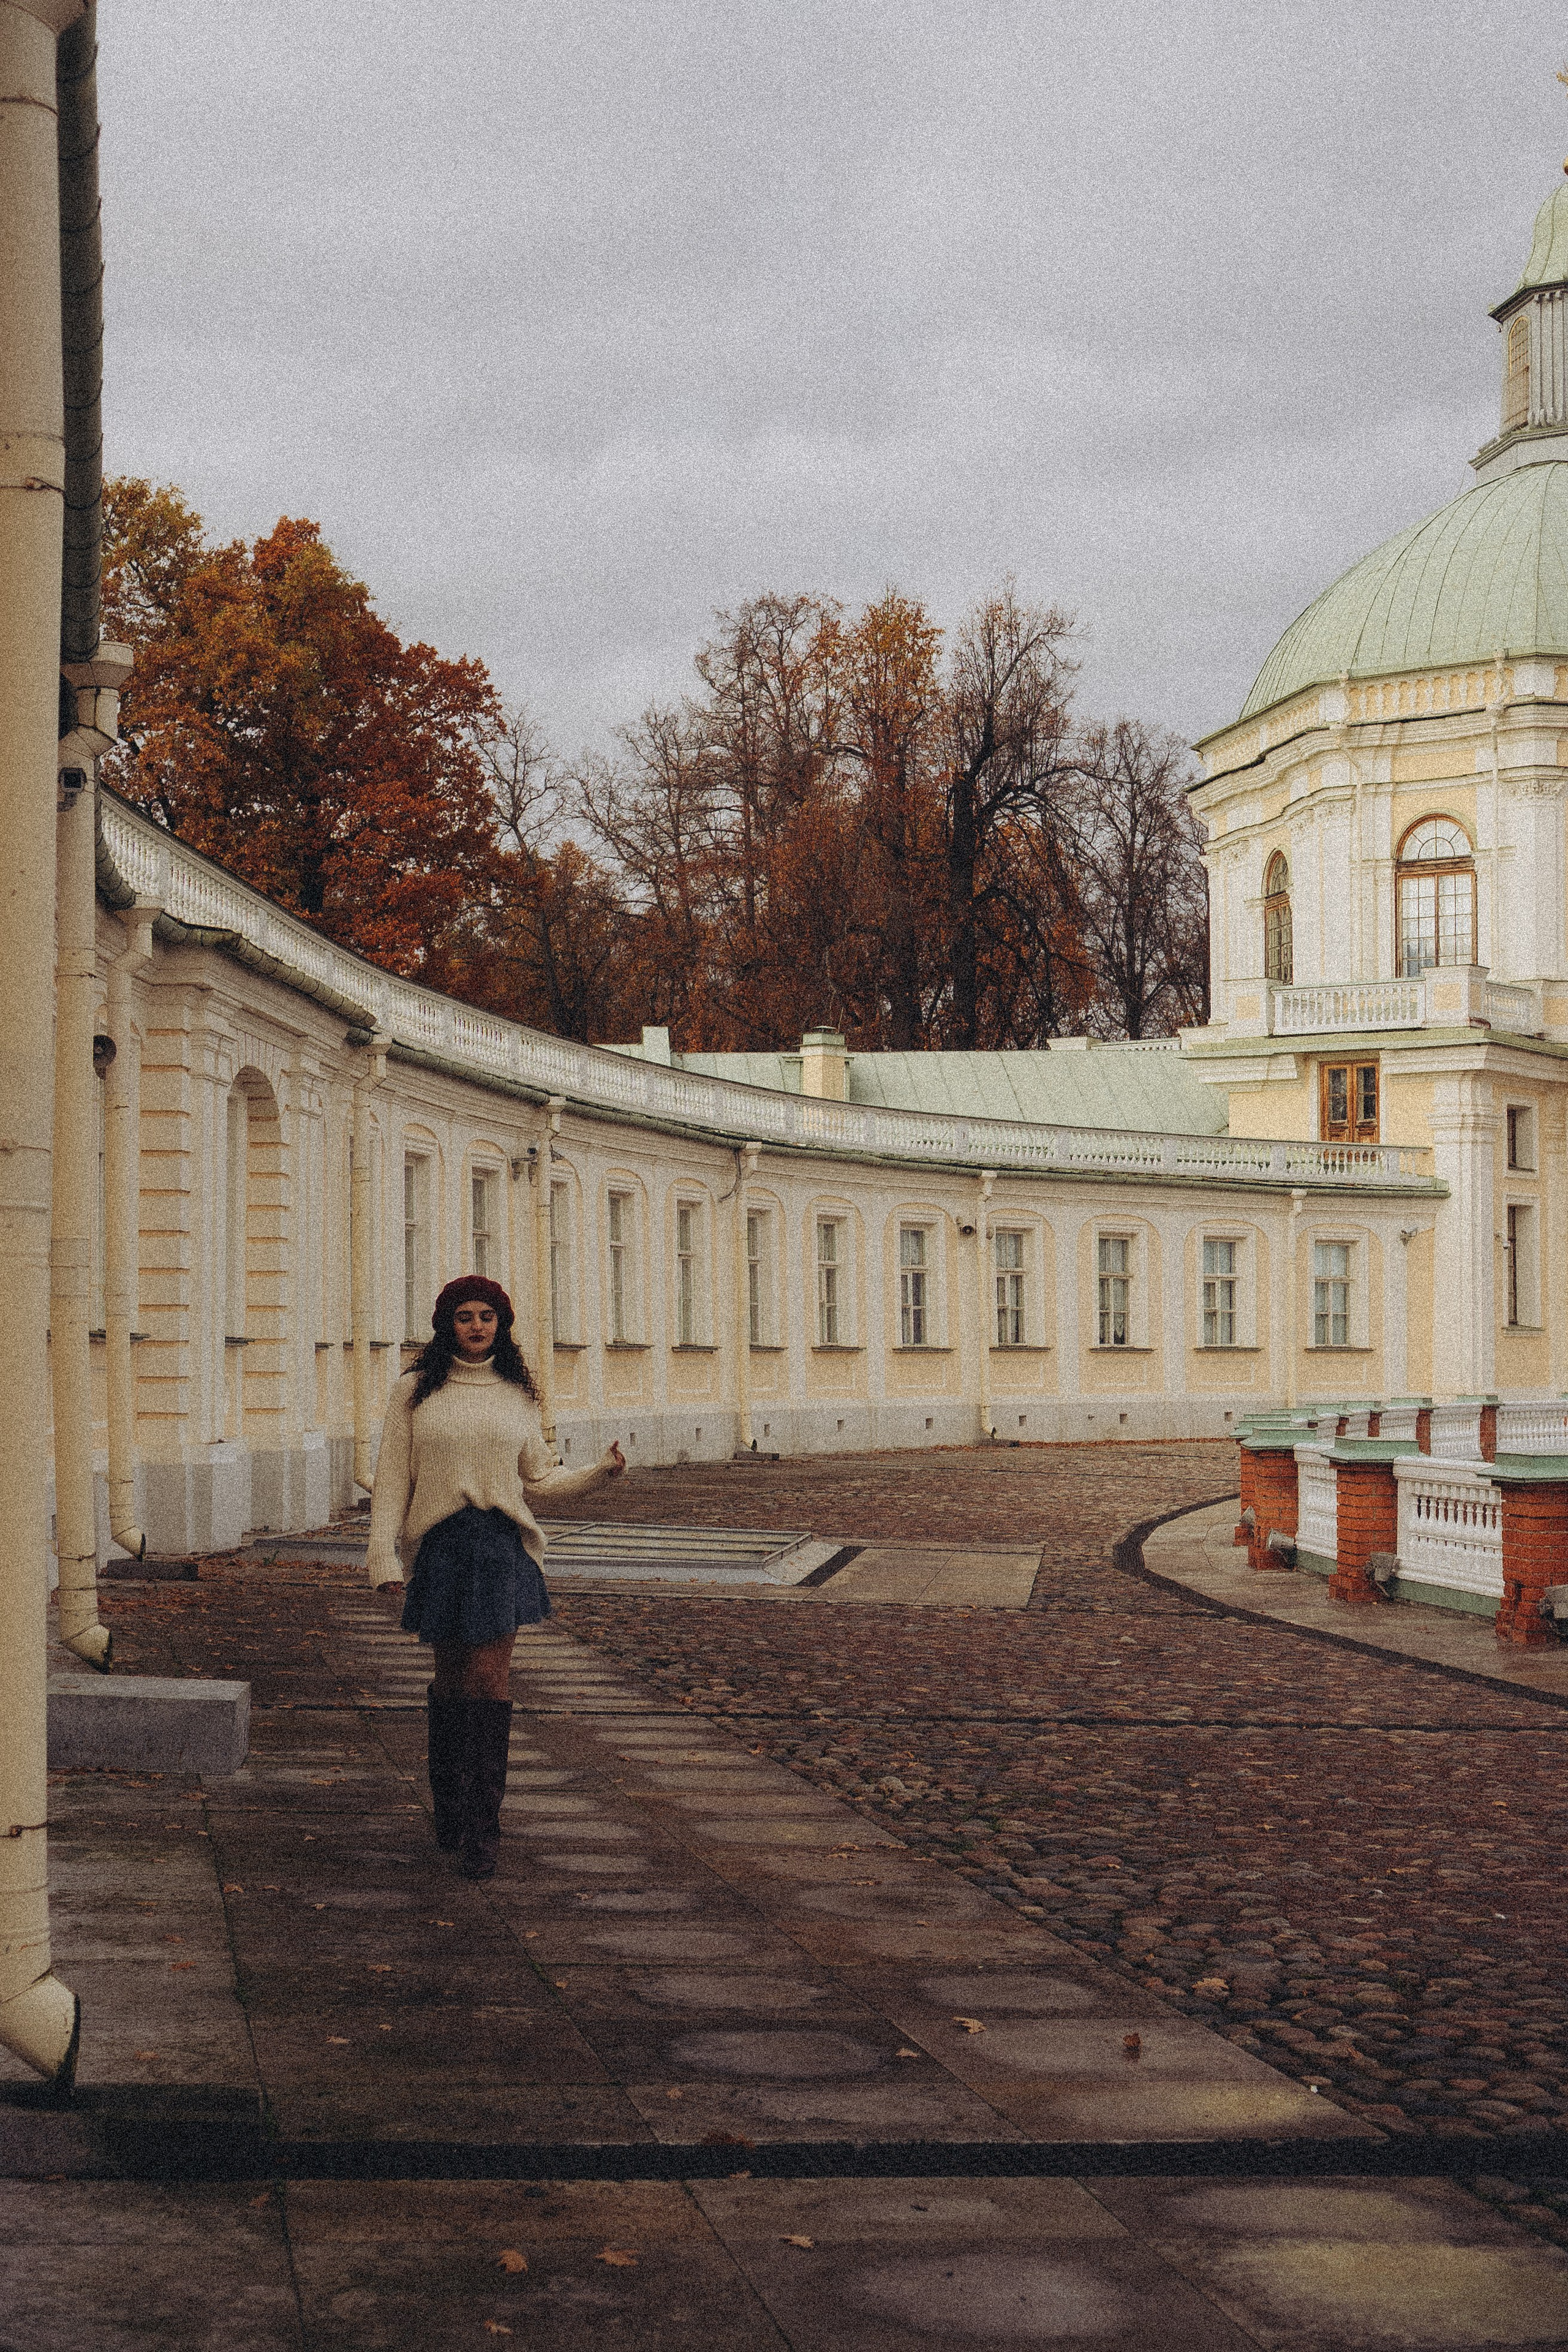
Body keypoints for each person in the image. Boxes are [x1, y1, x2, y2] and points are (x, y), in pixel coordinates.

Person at [366, 1275, 625, 1878]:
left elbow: (540, 1477)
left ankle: (484, 1830)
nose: (477, 1326)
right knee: (453, 1680)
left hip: (501, 1548)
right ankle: (451, 1808)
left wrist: (600, 1472)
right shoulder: (413, 1392)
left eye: (487, 1316)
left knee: (489, 1679)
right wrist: (382, 1557)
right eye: (465, 1317)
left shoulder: (517, 1393)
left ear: (501, 1325)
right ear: (447, 1326)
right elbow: (393, 1479)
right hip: (441, 1547)